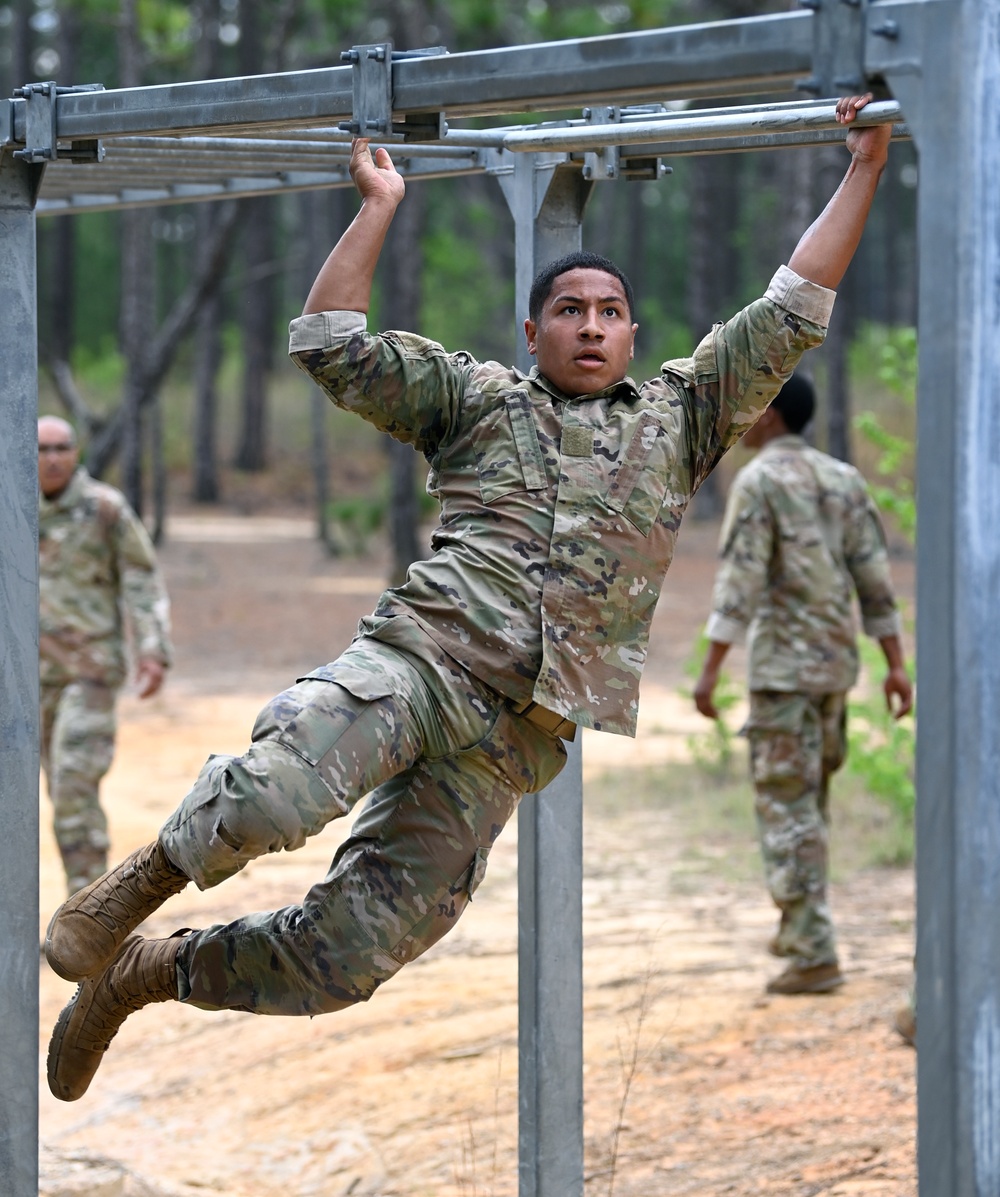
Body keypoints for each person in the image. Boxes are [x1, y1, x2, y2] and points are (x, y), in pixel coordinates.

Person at [45, 94, 893, 1103]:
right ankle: (142, 882)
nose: (590, 325)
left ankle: (150, 972)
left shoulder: (682, 418)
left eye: (608, 312)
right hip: (423, 663)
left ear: (632, 334)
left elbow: (794, 302)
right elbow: (327, 341)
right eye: (569, 311)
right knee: (276, 791)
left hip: (516, 734)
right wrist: (378, 206)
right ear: (532, 331)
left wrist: (864, 168)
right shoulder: (479, 401)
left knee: (345, 958)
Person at [692, 373, 913, 996]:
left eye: (750, 407)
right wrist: (895, 664)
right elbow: (874, 579)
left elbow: (740, 582)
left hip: (784, 676)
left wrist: (710, 672)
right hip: (834, 670)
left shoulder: (759, 481)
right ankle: (801, 931)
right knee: (810, 805)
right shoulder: (842, 478)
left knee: (788, 809)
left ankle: (813, 949)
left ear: (769, 416)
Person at [37, 415, 173, 896]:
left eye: (62, 447)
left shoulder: (103, 509)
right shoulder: (13, 506)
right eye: (42, 449)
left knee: (73, 788)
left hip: (87, 674)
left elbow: (141, 578)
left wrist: (153, 651)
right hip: (24, 682)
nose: (52, 458)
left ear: (75, 452)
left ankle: (86, 923)